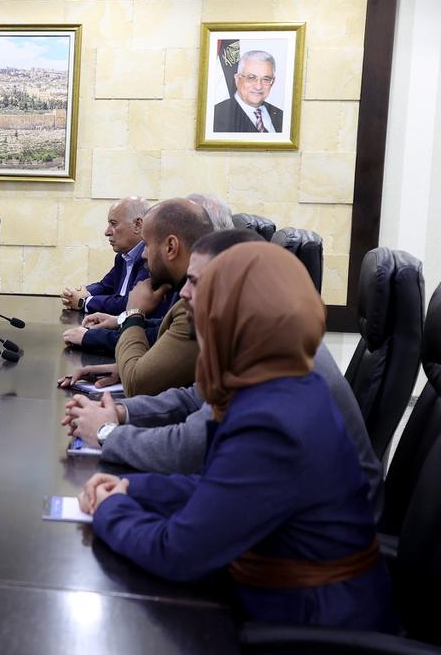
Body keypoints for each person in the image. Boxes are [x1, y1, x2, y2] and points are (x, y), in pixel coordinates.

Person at [78, 242, 393, 631]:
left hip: (313, 625)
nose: (188, 295)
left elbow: (178, 553)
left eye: (206, 288)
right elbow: (220, 486)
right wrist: (133, 488)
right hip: (295, 599)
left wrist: (110, 509)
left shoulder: (270, 418)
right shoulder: (282, 376)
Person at [61, 228, 384, 512]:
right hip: (289, 505)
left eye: (196, 281)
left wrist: (106, 434)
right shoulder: (259, 329)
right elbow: (196, 398)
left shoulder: (271, 354)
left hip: (318, 532)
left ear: (233, 286)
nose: (184, 293)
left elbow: (190, 449)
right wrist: (120, 413)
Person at [58, 198, 213, 397]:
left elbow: (137, 383)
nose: (143, 255)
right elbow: (164, 329)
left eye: (146, 245)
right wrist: (120, 362)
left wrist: (133, 314)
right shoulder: (186, 287)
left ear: (171, 246)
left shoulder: (198, 300)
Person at [61, 196, 151, 314]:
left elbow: (130, 304)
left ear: (138, 225)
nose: (107, 232)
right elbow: (105, 286)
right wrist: (81, 293)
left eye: (113, 224)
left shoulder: (150, 258)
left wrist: (83, 302)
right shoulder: (122, 257)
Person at [212, 50, 285, 134]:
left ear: (273, 82)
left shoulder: (281, 116)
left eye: (266, 79)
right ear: (237, 79)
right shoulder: (216, 116)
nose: (258, 87)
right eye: (251, 78)